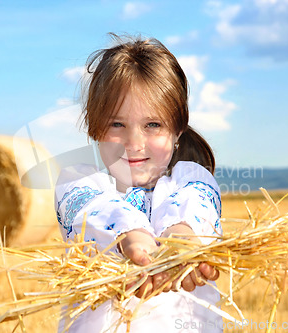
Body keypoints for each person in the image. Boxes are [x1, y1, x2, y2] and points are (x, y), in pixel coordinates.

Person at [54, 33, 223, 332]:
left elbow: (198, 201)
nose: (134, 143)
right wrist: (131, 235)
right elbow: (93, 208)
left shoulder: (191, 179)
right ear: (95, 128)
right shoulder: (79, 182)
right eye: (117, 124)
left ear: (177, 130)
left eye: (153, 125)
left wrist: (180, 237)